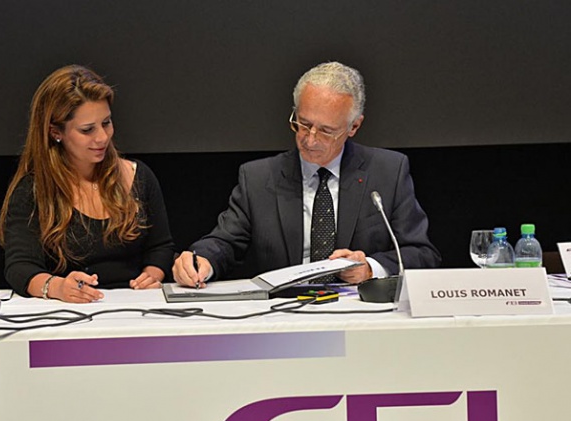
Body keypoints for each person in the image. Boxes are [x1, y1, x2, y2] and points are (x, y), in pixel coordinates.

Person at [173, 61, 440, 287]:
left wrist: (370, 268)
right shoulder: (258, 178)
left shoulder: (388, 172)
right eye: (303, 124)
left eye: (326, 130)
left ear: (354, 126)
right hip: (283, 315)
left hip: (358, 312)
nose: (310, 140)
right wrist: (200, 261)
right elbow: (224, 243)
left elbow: (422, 253)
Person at [0, 65, 174, 303]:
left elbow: (161, 247)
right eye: (87, 130)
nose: (102, 137)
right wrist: (58, 287)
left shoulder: (138, 176)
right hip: (67, 313)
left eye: (107, 123)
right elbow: (20, 267)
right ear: (55, 132)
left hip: (136, 309)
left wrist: (152, 275)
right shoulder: (34, 190)